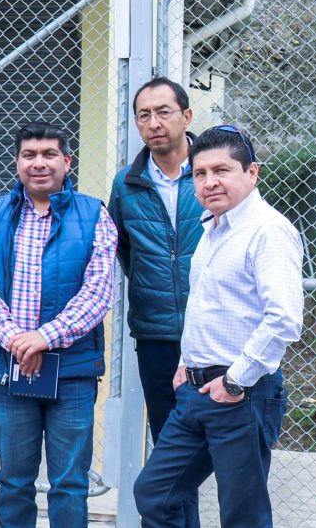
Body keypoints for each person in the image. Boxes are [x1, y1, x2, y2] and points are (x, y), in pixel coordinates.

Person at [134, 125, 304, 527]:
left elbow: (284, 318)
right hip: (195, 392)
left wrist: (235, 381)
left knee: (242, 516)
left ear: (252, 173)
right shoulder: (214, 228)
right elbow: (206, 306)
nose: (209, 182)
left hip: (241, 395)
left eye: (222, 171)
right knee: (155, 495)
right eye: (199, 173)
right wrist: (184, 362)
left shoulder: (268, 231)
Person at [0, 122, 119, 528]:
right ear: (17, 162)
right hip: (12, 369)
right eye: (29, 155)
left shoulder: (94, 215)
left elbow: (98, 292)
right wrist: (18, 341)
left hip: (71, 374)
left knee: (69, 484)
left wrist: (43, 338)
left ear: (66, 161)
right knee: (14, 482)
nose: (39, 163)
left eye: (49, 154)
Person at [109, 77, 207, 528]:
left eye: (163, 111)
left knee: (206, 450)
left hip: (211, 336)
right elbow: (124, 248)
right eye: (144, 115)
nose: (154, 123)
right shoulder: (126, 184)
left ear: (187, 116)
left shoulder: (212, 172)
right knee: (169, 445)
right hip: (156, 337)